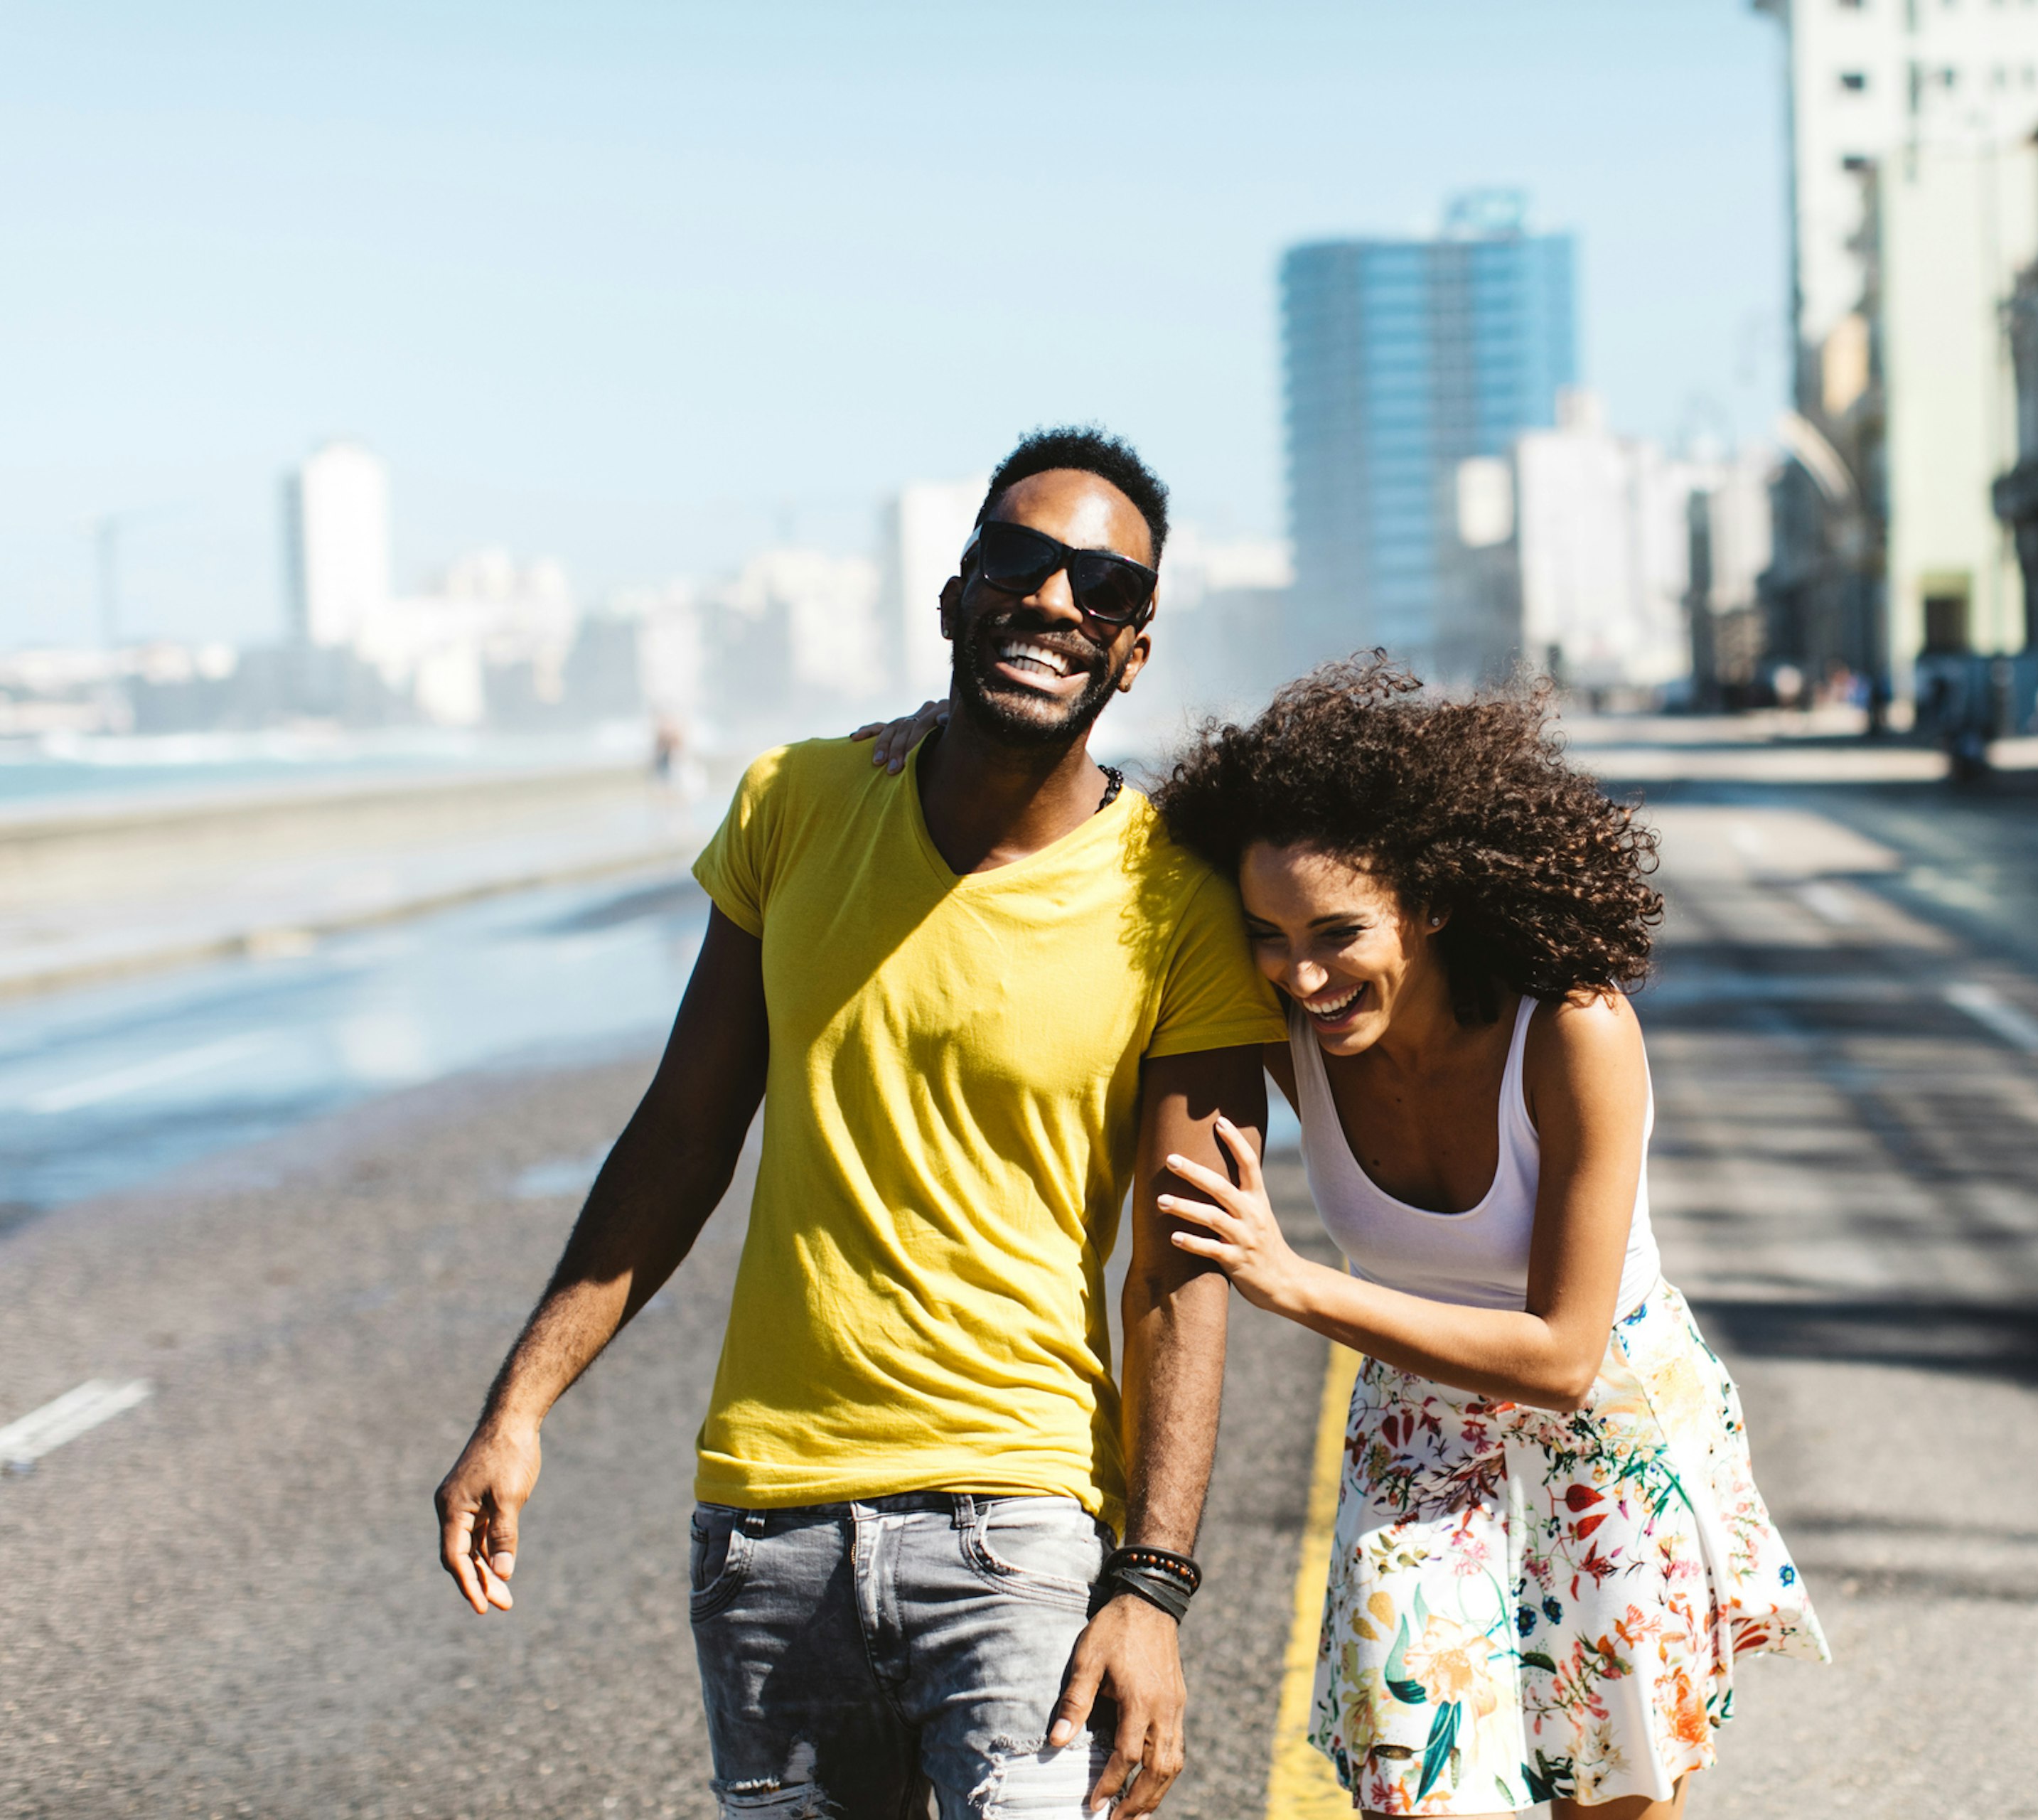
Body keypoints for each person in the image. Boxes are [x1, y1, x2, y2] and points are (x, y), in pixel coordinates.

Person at [432, 427, 1285, 1820]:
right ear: (957, 592)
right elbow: (682, 1133)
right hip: (767, 1529)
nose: (1056, 599)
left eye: (1104, 587)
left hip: (1021, 1525)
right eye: (1019, 560)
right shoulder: (797, 802)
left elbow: (1180, 1270)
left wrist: (1154, 1583)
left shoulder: (1177, 895)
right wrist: (517, 1405)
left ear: (1133, 649)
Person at [864, 662, 1823, 1817]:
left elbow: (1565, 1359)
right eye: (1268, 935)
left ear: (1435, 899)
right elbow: (1111, 858)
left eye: (1337, 932)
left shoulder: (1572, 1028)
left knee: (1610, 1801)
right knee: (1412, 1789)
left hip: (1611, 1438)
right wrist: (964, 752)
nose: (1302, 975)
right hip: (1418, 1433)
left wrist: (1295, 1284)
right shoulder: (1296, 1028)